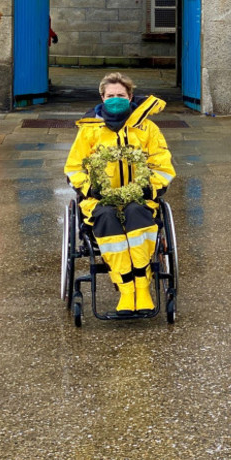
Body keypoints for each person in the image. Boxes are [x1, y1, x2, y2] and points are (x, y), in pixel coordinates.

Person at [64, 73, 176, 315]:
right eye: (111, 96)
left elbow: (163, 165)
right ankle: (126, 291)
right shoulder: (89, 131)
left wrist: (150, 187)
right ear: (102, 98)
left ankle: (143, 288)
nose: (116, 99)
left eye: (121, 96)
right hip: (100, 200)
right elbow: (73, 167)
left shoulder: (147, 128)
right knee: (106, 217)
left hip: (140, 198)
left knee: (137, 213)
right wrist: (89, 188)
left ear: (131, 97)